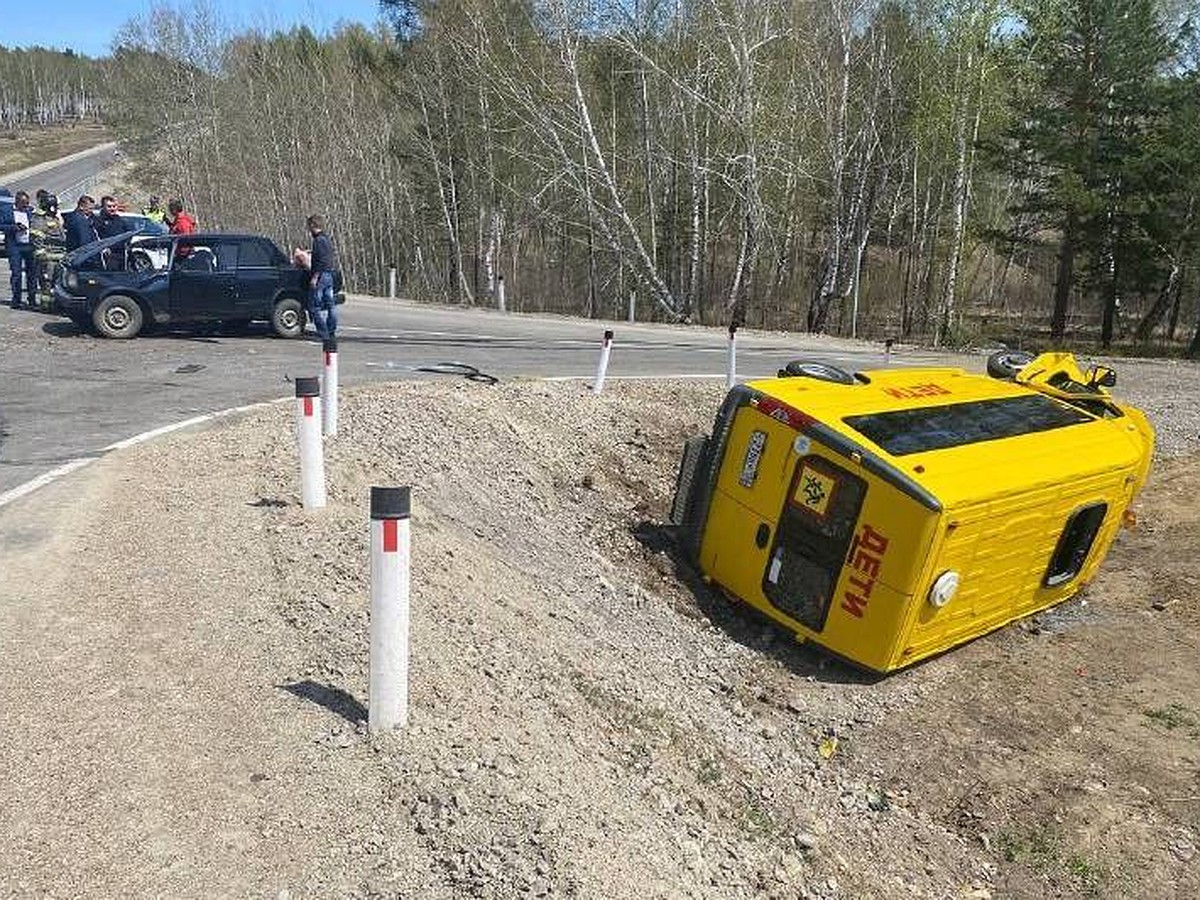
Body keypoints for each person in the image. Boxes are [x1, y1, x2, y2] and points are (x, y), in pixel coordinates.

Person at [29, 192, 66, 310]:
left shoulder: (54, 218)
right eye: (55, 206)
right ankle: (46, 306)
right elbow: (36, 238)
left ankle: (55, 304)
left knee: (57, 282)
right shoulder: (39, 218)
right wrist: (42, 256)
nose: (56, 209)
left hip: (58, 255)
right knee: (47, 282)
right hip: (47, 257)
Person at [306, 214, 339, 340]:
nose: (308, 229)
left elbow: (321, 261)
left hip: (321, 277)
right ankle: (331, 331)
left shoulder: (318, 240)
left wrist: (315, 277)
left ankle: (323, 333)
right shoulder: (327, 239)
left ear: (313, 225)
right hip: (329, 275)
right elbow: (327, 257)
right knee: (331, 305)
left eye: (309, 226)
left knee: (314, 307)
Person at [5, 191, 35, 309]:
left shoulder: (30, 211)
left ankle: (31, 299)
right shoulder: (7, 211)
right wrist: (15, 227)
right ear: (17, 202)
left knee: (32, 274)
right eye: (24, 203)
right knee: (16, 273)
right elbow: (1, 225)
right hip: (15, 246)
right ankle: (16, 299)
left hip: (29, 245)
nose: (26, 205)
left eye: (27, 203)